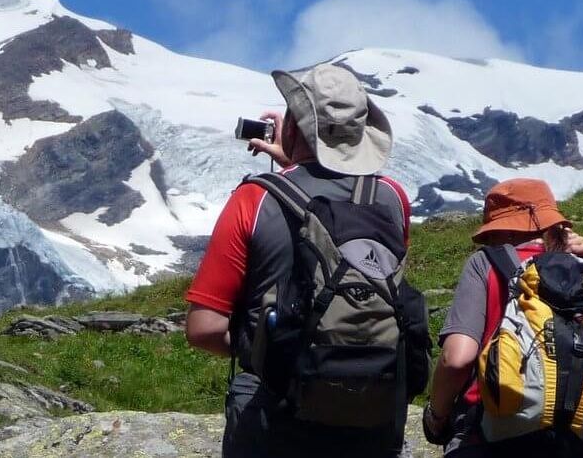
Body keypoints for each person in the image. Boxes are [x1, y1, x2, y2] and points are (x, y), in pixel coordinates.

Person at [183, 64, 428, 457]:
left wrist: (274, 349)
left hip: (275, 419)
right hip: (373, 413)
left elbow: (204, 329)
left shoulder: (255, 199)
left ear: (294, 127)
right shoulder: (392, 199)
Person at [422, 178, 583, 457]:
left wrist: (436, 417)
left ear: (498, 229)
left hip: (491, 431)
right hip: (575, 435)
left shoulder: (484, 263)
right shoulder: (582, 268)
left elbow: (457, 358)